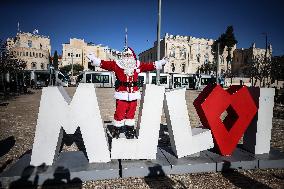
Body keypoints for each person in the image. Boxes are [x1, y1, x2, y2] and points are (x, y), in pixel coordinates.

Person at [87, 47, 167, 139]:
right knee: (119, 112)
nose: (127, 56)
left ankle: (130, 129)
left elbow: (149, 66)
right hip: (122, 93)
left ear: (133, 56)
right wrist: (94, 59)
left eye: (128, 55)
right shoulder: (117, 64)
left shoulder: (137, 65)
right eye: (125, 55)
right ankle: (116, 129)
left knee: (131, 112)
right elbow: (104, 64)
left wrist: (161, 62)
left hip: (134, 93)